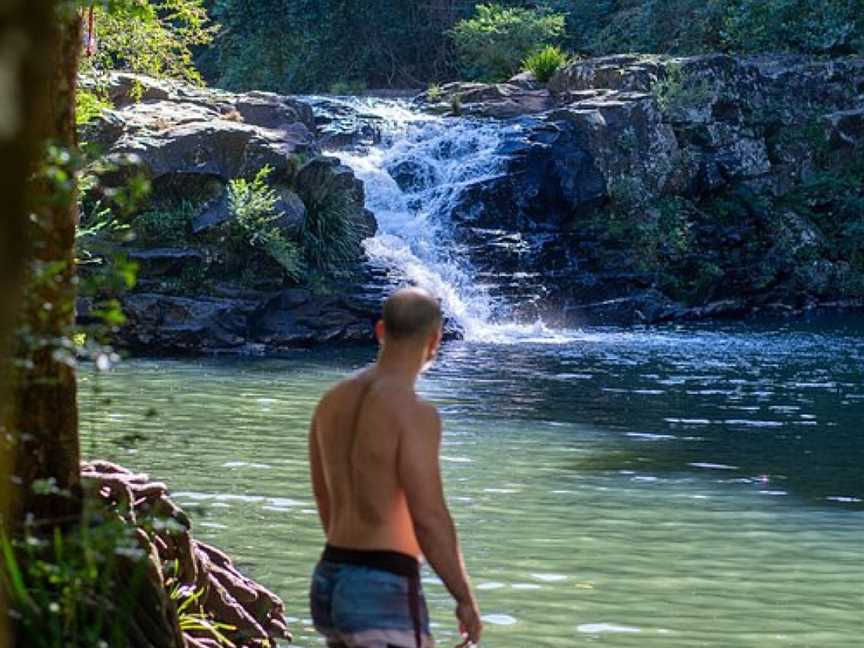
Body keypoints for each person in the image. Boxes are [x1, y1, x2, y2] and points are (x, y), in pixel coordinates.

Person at [308, 287, 483, 648]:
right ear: (435, 341)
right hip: (382, 585)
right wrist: (464, 597)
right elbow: (429, 517)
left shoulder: (330, 401)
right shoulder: (415, 414)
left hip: (330, 577)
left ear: (380, 331)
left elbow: (324, 499)